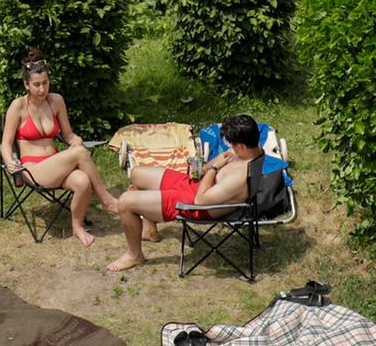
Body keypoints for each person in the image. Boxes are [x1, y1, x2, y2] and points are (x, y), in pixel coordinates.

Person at [106, 113, 282, 273]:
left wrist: (213, 168)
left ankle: (134, 255)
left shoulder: (240, 175)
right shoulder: (252, 147)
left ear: (241, 146)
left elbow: (200, 200)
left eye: (232, 145)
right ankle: (149, 228)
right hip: (198, 186)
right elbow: (218, 162)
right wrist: (205, 168)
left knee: (126, 201)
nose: (229, 148)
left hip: (197, 204)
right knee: (137, 173)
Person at [0, 50, 119, 246]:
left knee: (82, 181)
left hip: (56, 165)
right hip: (34, 169)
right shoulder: (18, 106)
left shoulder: (56, 101)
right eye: (36, 84)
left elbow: (68, 134)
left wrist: (75, 140)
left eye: (45, 83)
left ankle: (77, 227)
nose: (42, 89)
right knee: (80, 154)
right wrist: (10, 162)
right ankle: (106, 200)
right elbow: (5, 142)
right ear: (26, 85)